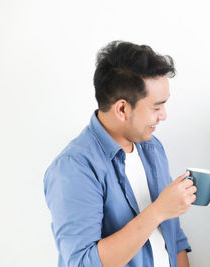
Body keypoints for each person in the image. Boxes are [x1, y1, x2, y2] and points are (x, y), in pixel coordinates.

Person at [44, 41, 197, 267]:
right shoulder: (74, 167)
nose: (163, 115)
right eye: (156, 107)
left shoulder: (152, 148)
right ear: (123, 109)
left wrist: (165, 211)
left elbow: (173, 236)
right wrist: (157, 211)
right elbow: (83, 262)